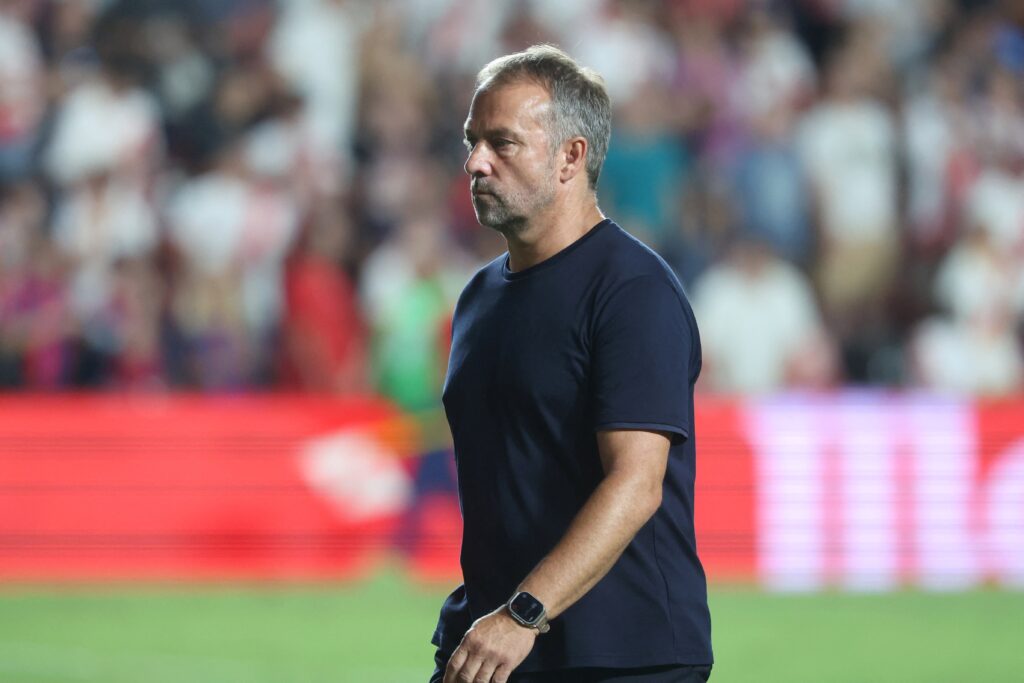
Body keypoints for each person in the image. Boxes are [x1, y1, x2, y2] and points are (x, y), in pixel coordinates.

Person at [432, 45, 713, 683]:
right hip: (494, 644)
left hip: (620, 655)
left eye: (503, 143)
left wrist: (524, 613)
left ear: (570, 156)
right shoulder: (479, 295)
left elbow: (636, 483)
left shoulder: (632, 290)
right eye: (472, 141)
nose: (476, 162)